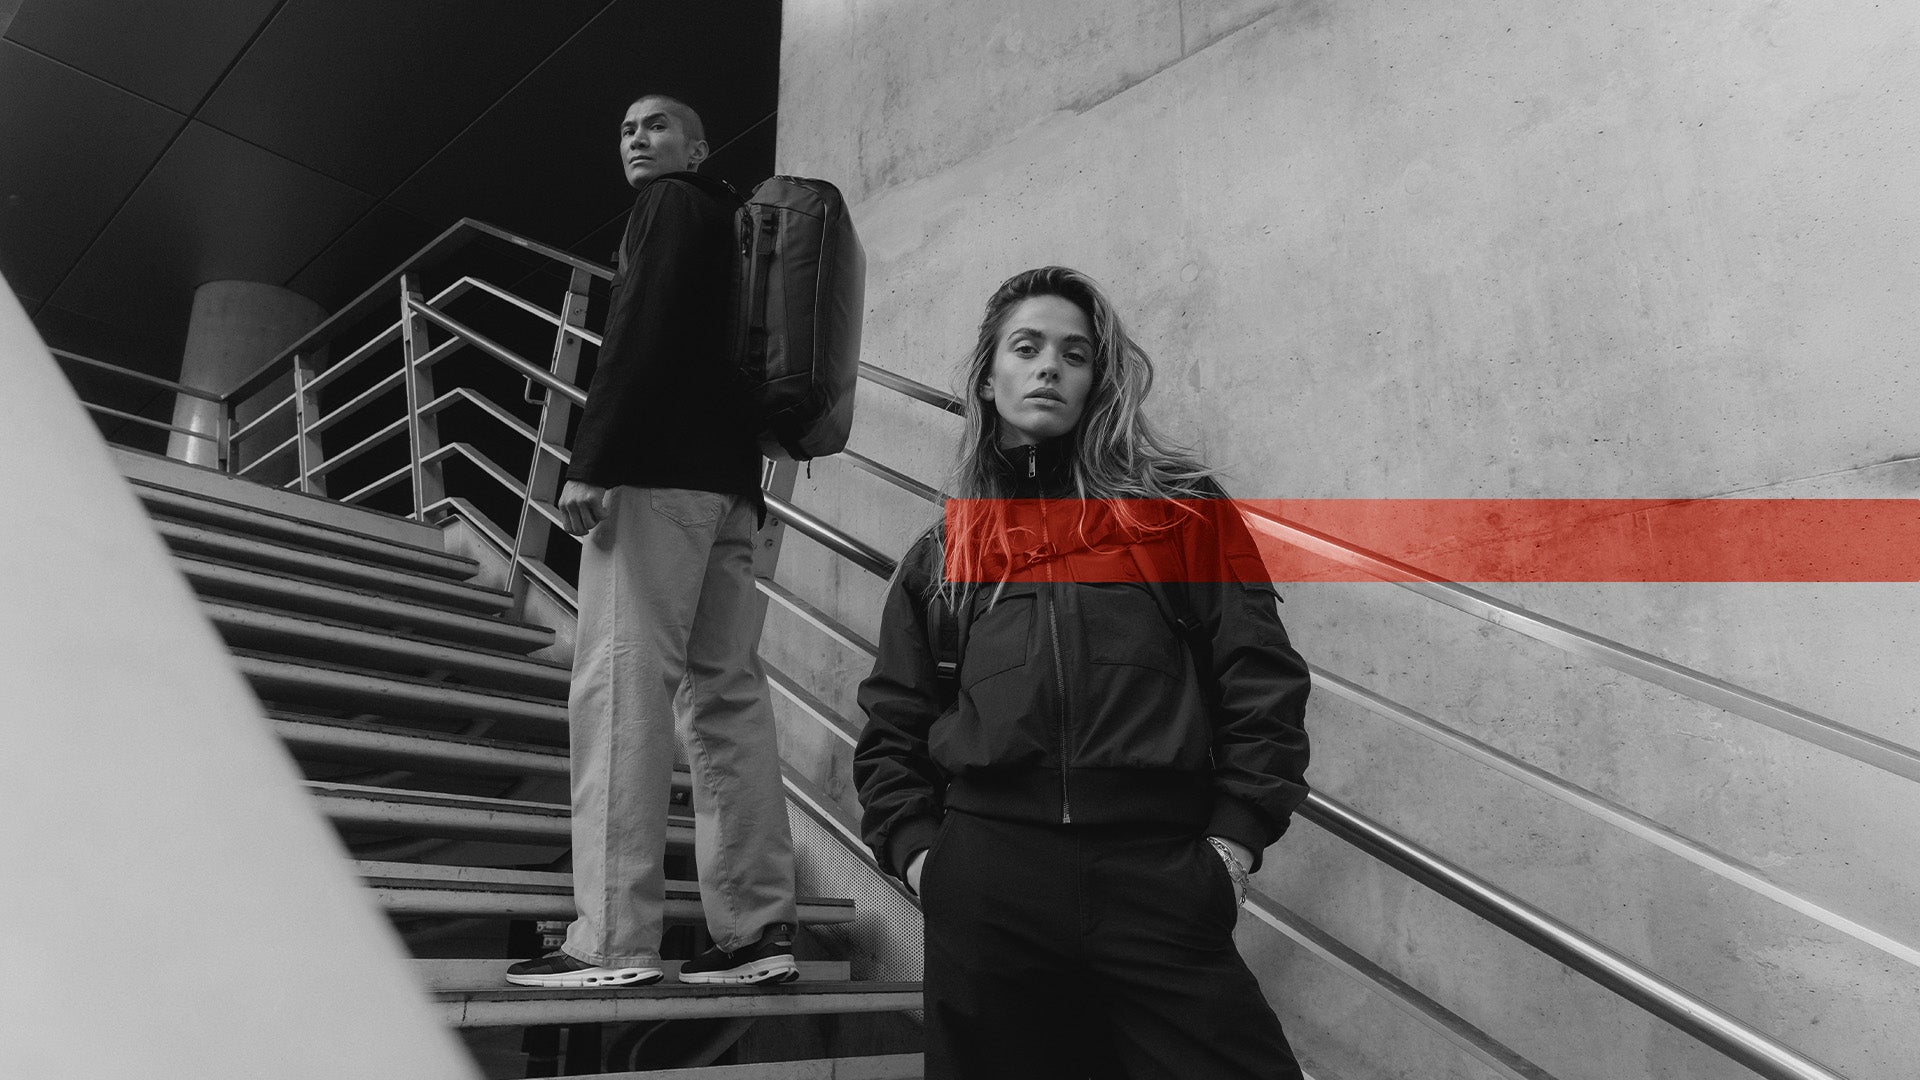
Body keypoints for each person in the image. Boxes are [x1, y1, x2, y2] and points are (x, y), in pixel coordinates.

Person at [854, 267, 1312, 1077]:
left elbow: (1261, 679)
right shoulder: (945, 554)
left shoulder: (1177, 514)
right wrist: (927, 859)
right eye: (1025, 348)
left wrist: (1233, 847)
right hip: (991, 881)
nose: (1049, 367)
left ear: (1097, 380)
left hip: (1158, 873)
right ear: (988, 379)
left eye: (1074, 353)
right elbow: (894, 723)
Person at [506, 94, 799, 989]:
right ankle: (755, 933)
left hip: (660, 479)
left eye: (656, 126)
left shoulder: (671, 205)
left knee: (622, 686)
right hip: (731, 495)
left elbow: (638, 331)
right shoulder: (738, 227)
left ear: (698, 146)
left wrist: (594, 459)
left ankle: (611, 939)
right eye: (625, 128)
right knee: (725, 698)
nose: (636, 137)